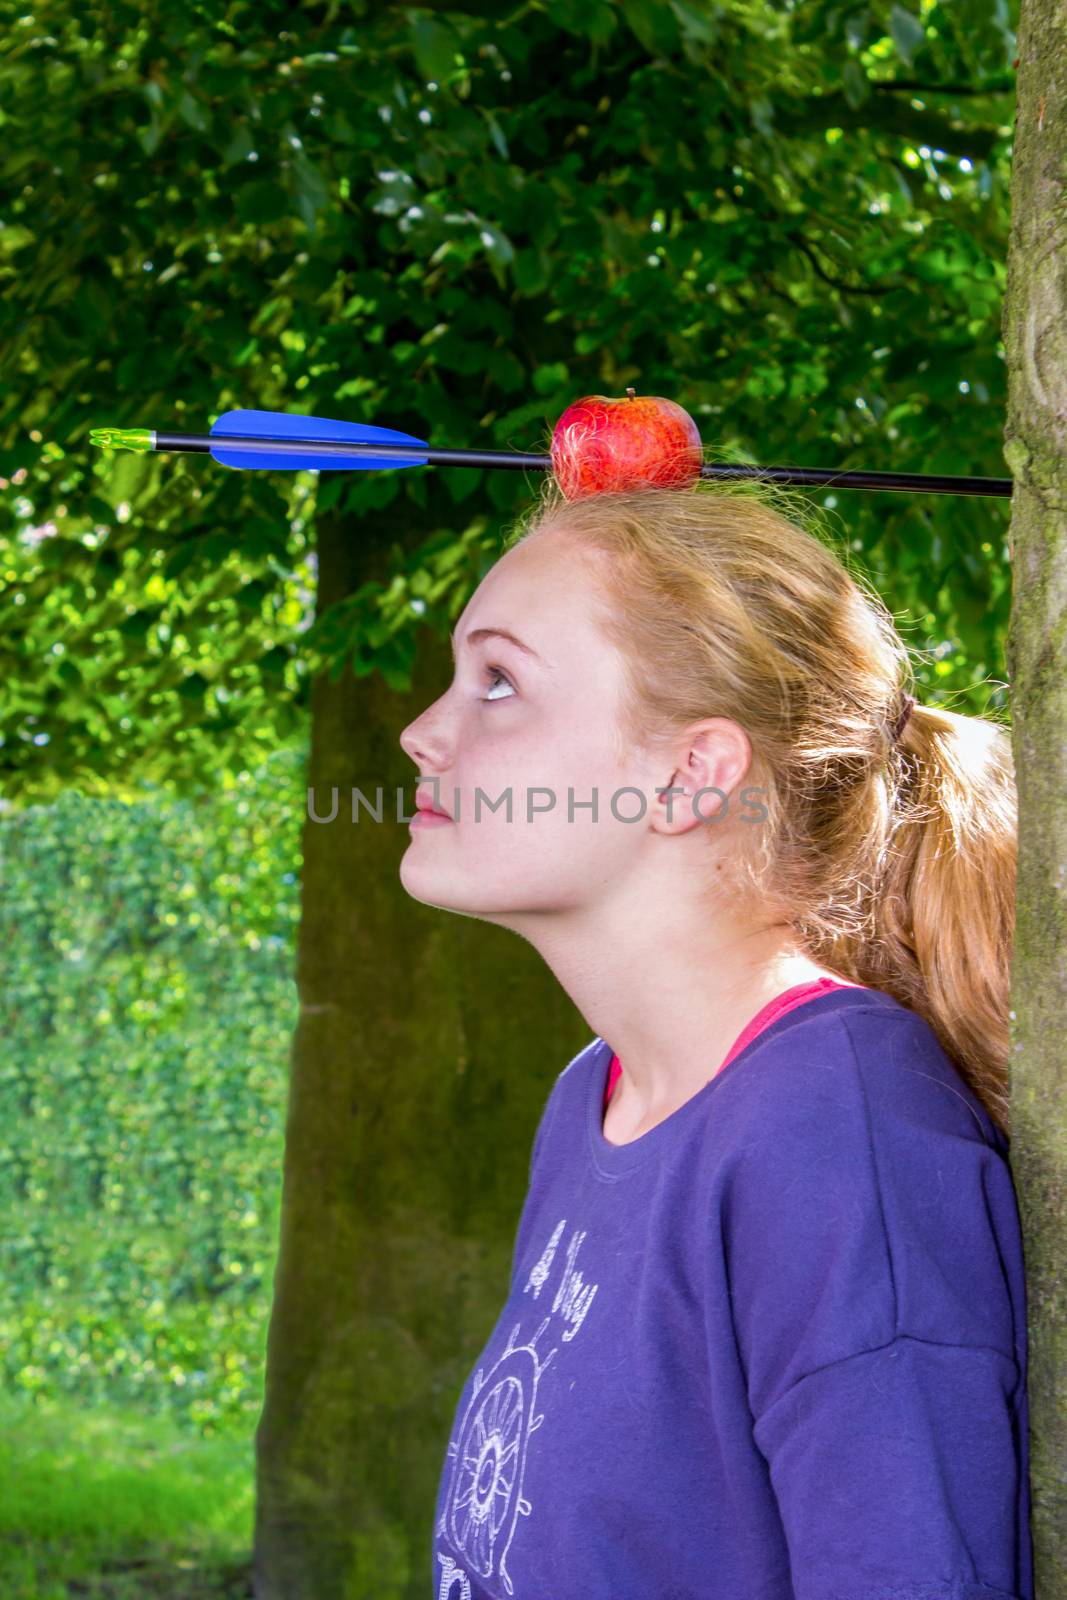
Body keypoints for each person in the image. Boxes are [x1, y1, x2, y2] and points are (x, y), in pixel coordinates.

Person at [398, 476, 1031, 1600]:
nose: (421, 732)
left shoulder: (835, 1130)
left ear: (691, 773)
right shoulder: (597, 1094)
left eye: (497, 682)